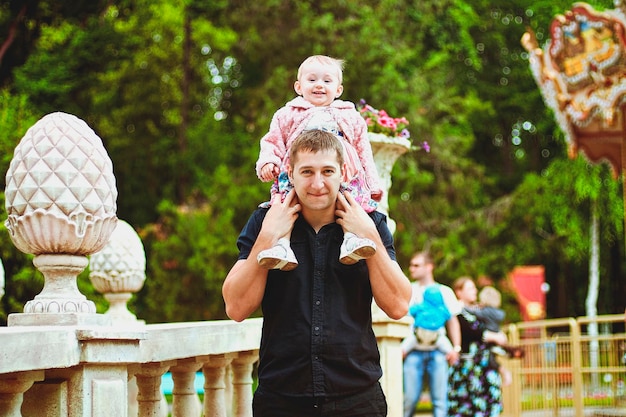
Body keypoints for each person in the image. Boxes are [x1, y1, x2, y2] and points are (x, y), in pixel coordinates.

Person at [222, 129, 412, 417]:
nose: (318, 183)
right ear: (290, 172)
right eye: (307, 171)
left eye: (327, 171)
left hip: (357, 399)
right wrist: (267, 238)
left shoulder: (369, 221)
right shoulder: (265, 219)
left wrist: (370, 236)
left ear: (343, 171)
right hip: (281, 399)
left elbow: (398, 305)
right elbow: (236, 307)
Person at [255, 55, 383, 271]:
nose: (319, 85)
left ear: (339, 89)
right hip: (299, 173)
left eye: (327, 81)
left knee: (349, 204)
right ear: (298, 86)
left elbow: (364, 150)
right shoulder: (287, 114)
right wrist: (269, 161)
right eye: (312, 80)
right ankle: (281, 244)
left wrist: (372, 184)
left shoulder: (350, 116)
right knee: (287, 205)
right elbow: (272, 141)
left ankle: (352, 239)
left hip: (344, 172)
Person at [401, 251, 462, 417]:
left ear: (429, 267)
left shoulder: (445, 291)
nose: (411, 268)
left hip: (438, 350)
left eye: (416, 265)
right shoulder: (408, 289)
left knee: (440, 400)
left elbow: (452, 321)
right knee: (410, 399)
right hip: (413, 350)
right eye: (411, 265)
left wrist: (455, 348)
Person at [448, 277, 509, 417]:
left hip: (486, 367)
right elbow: (471, 332)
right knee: (468, 408)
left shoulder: (481, 311)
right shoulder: (456, 311)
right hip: (468, 369)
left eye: (475, 288)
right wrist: (495, 336)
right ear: (459, 292)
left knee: (490, 407)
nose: (474, 291)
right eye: (470, 288)